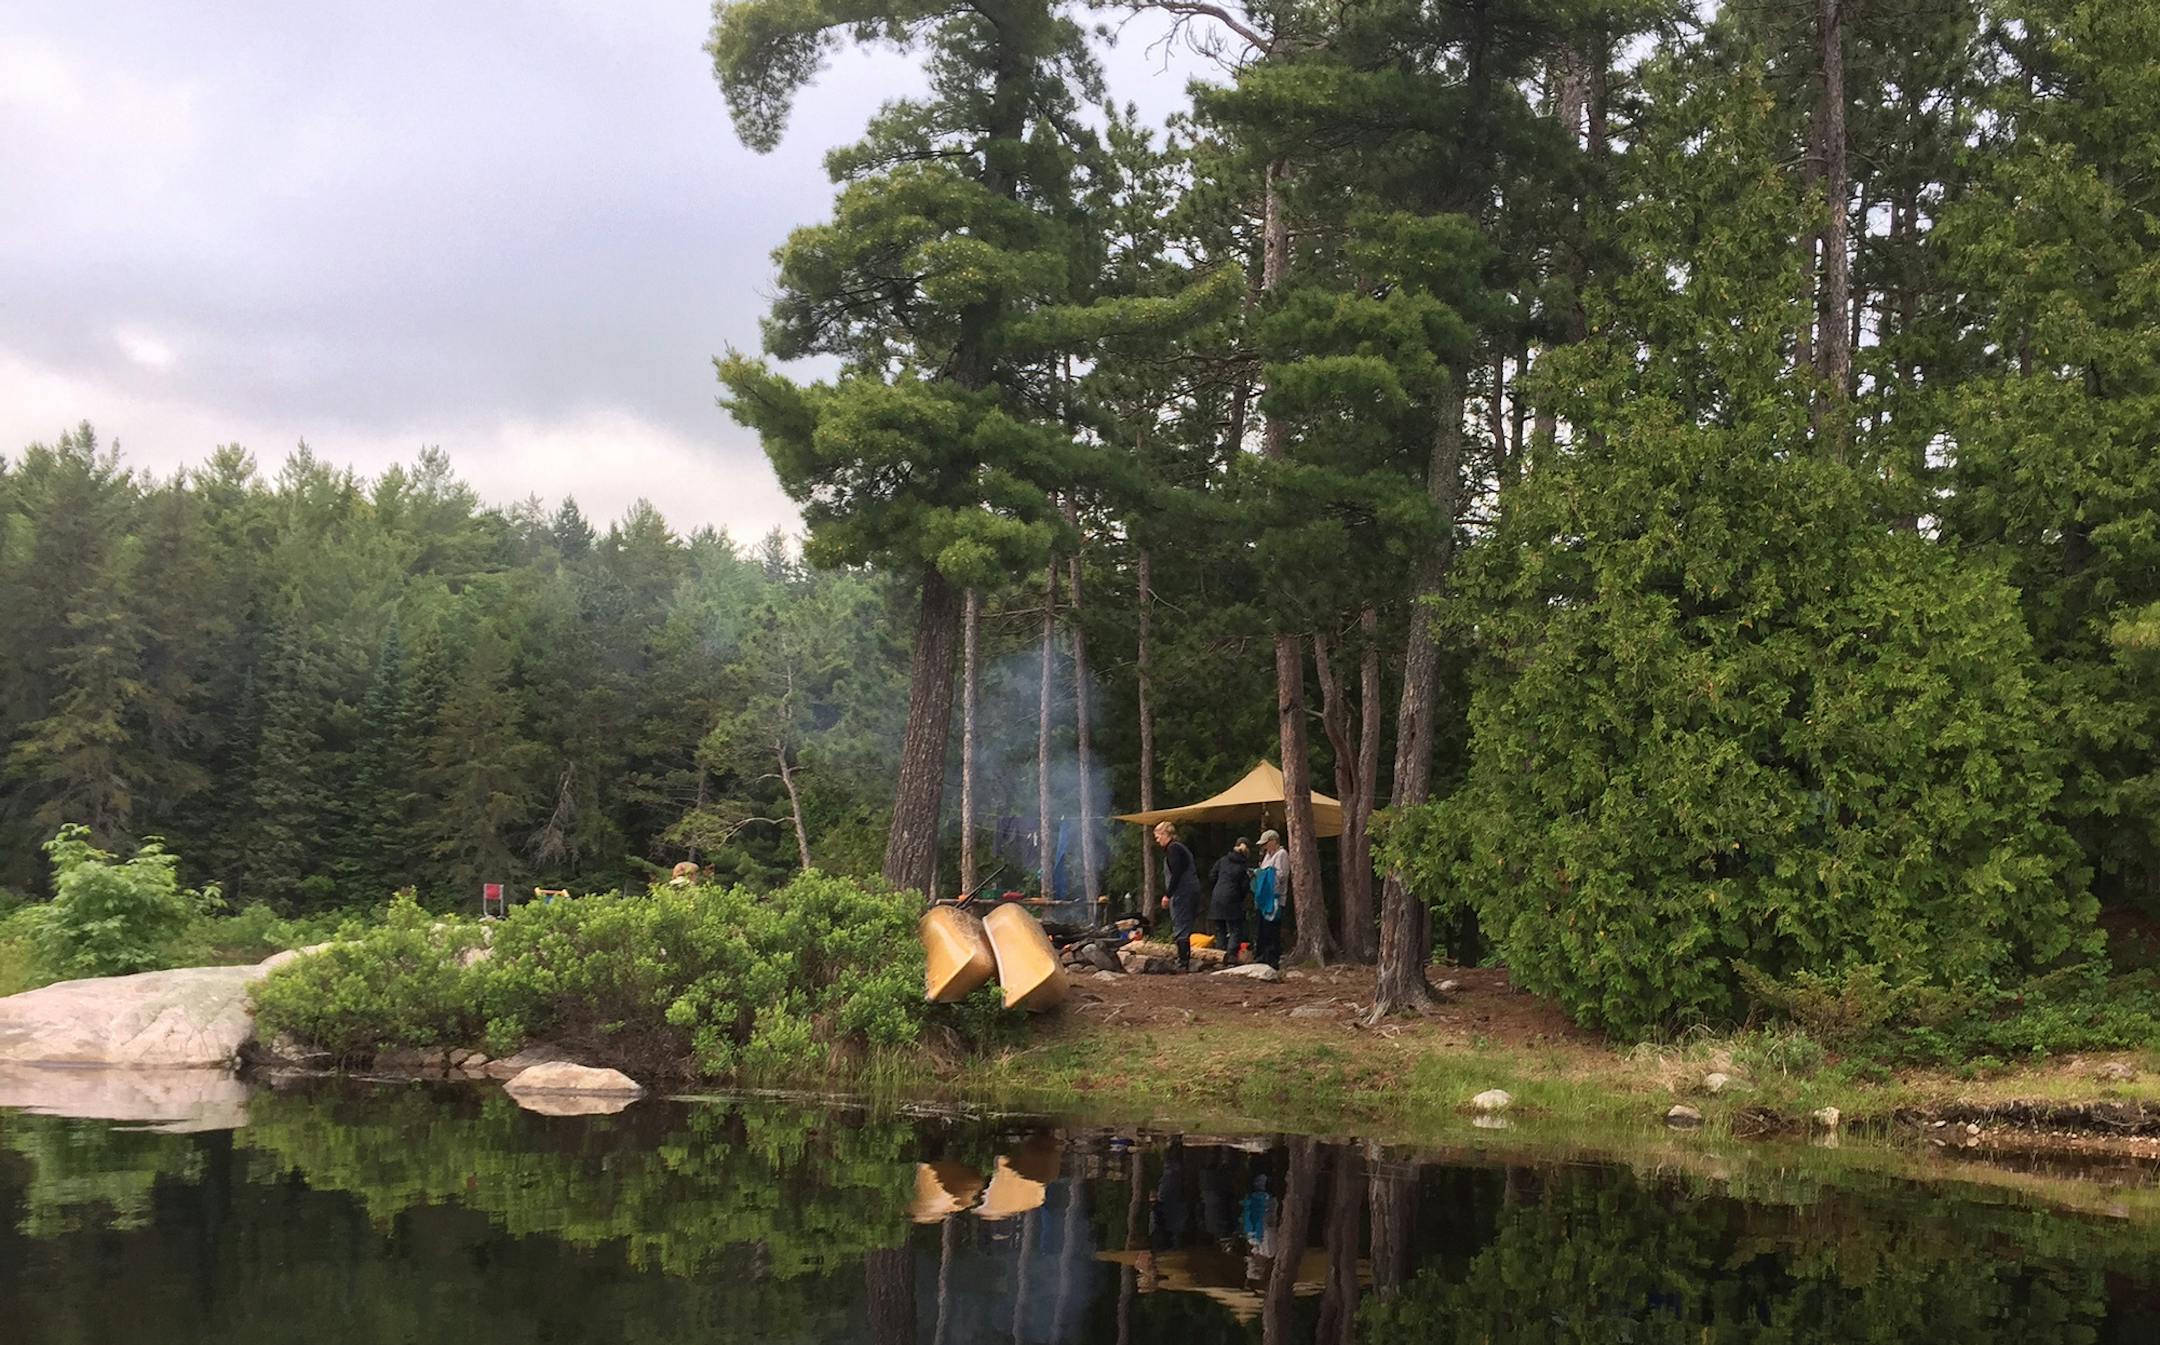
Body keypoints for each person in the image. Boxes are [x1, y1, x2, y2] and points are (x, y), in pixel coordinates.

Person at [1155, 821, 1202, 971]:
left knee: (1181, 926)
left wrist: (1168, 895)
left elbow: (1176, 874)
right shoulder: (1180, 848)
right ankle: (1183, 959)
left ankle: (1183, 962)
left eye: (1157, 837)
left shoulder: (1173, 849)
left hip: (1183, 892)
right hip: (1190, 890)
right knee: (1184, 926)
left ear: (1164, 834)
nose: (1157, 840)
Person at [1208, 837, 1253, 963]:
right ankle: (1231, 956)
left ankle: (1219, 956)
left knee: (1220, 929)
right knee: (1235, 929)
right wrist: (1240, 896)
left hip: (1217, 897)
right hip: (1233, 899)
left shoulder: (1223, 860)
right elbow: (1244, 886)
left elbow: (1212, 875)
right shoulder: (1243, 865)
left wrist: (1217, 888)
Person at [1252, 828, 1288, 969]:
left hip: (1275, 899)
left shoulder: (1281, 854)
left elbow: (1281, 875)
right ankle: (1261, 956)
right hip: (1264, 898)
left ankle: (1272, 958)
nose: (1264, 847)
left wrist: (1267, 874)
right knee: (1262, 928)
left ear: (1273, 841)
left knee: (1272, 929)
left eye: (1266, 843)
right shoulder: (1267, 856)